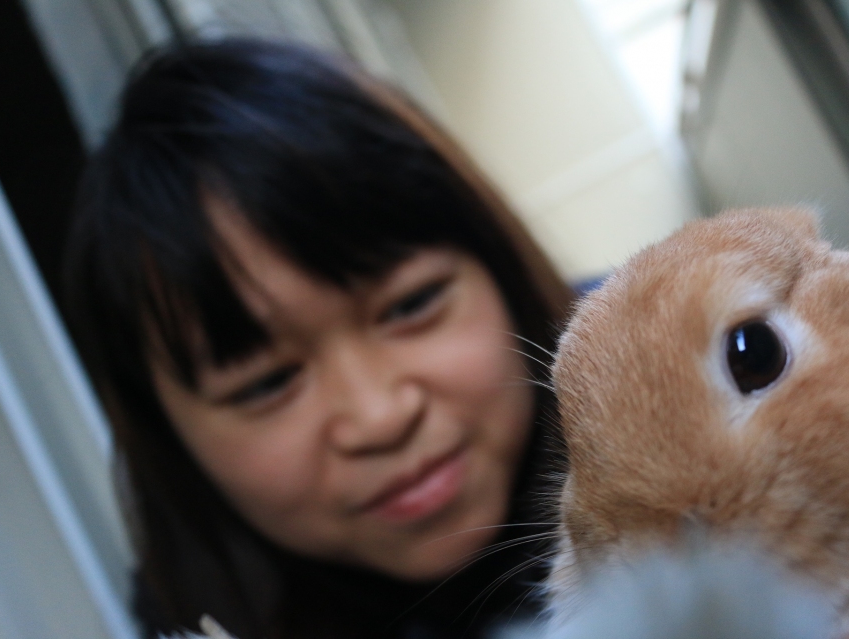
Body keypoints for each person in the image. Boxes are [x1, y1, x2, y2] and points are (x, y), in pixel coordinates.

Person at [64, 38, 573, 639]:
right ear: (172, 441)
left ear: (497, 264)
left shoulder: (675, 371)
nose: (380, 417)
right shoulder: (200, 624)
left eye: (411, 305)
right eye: (268, 383)